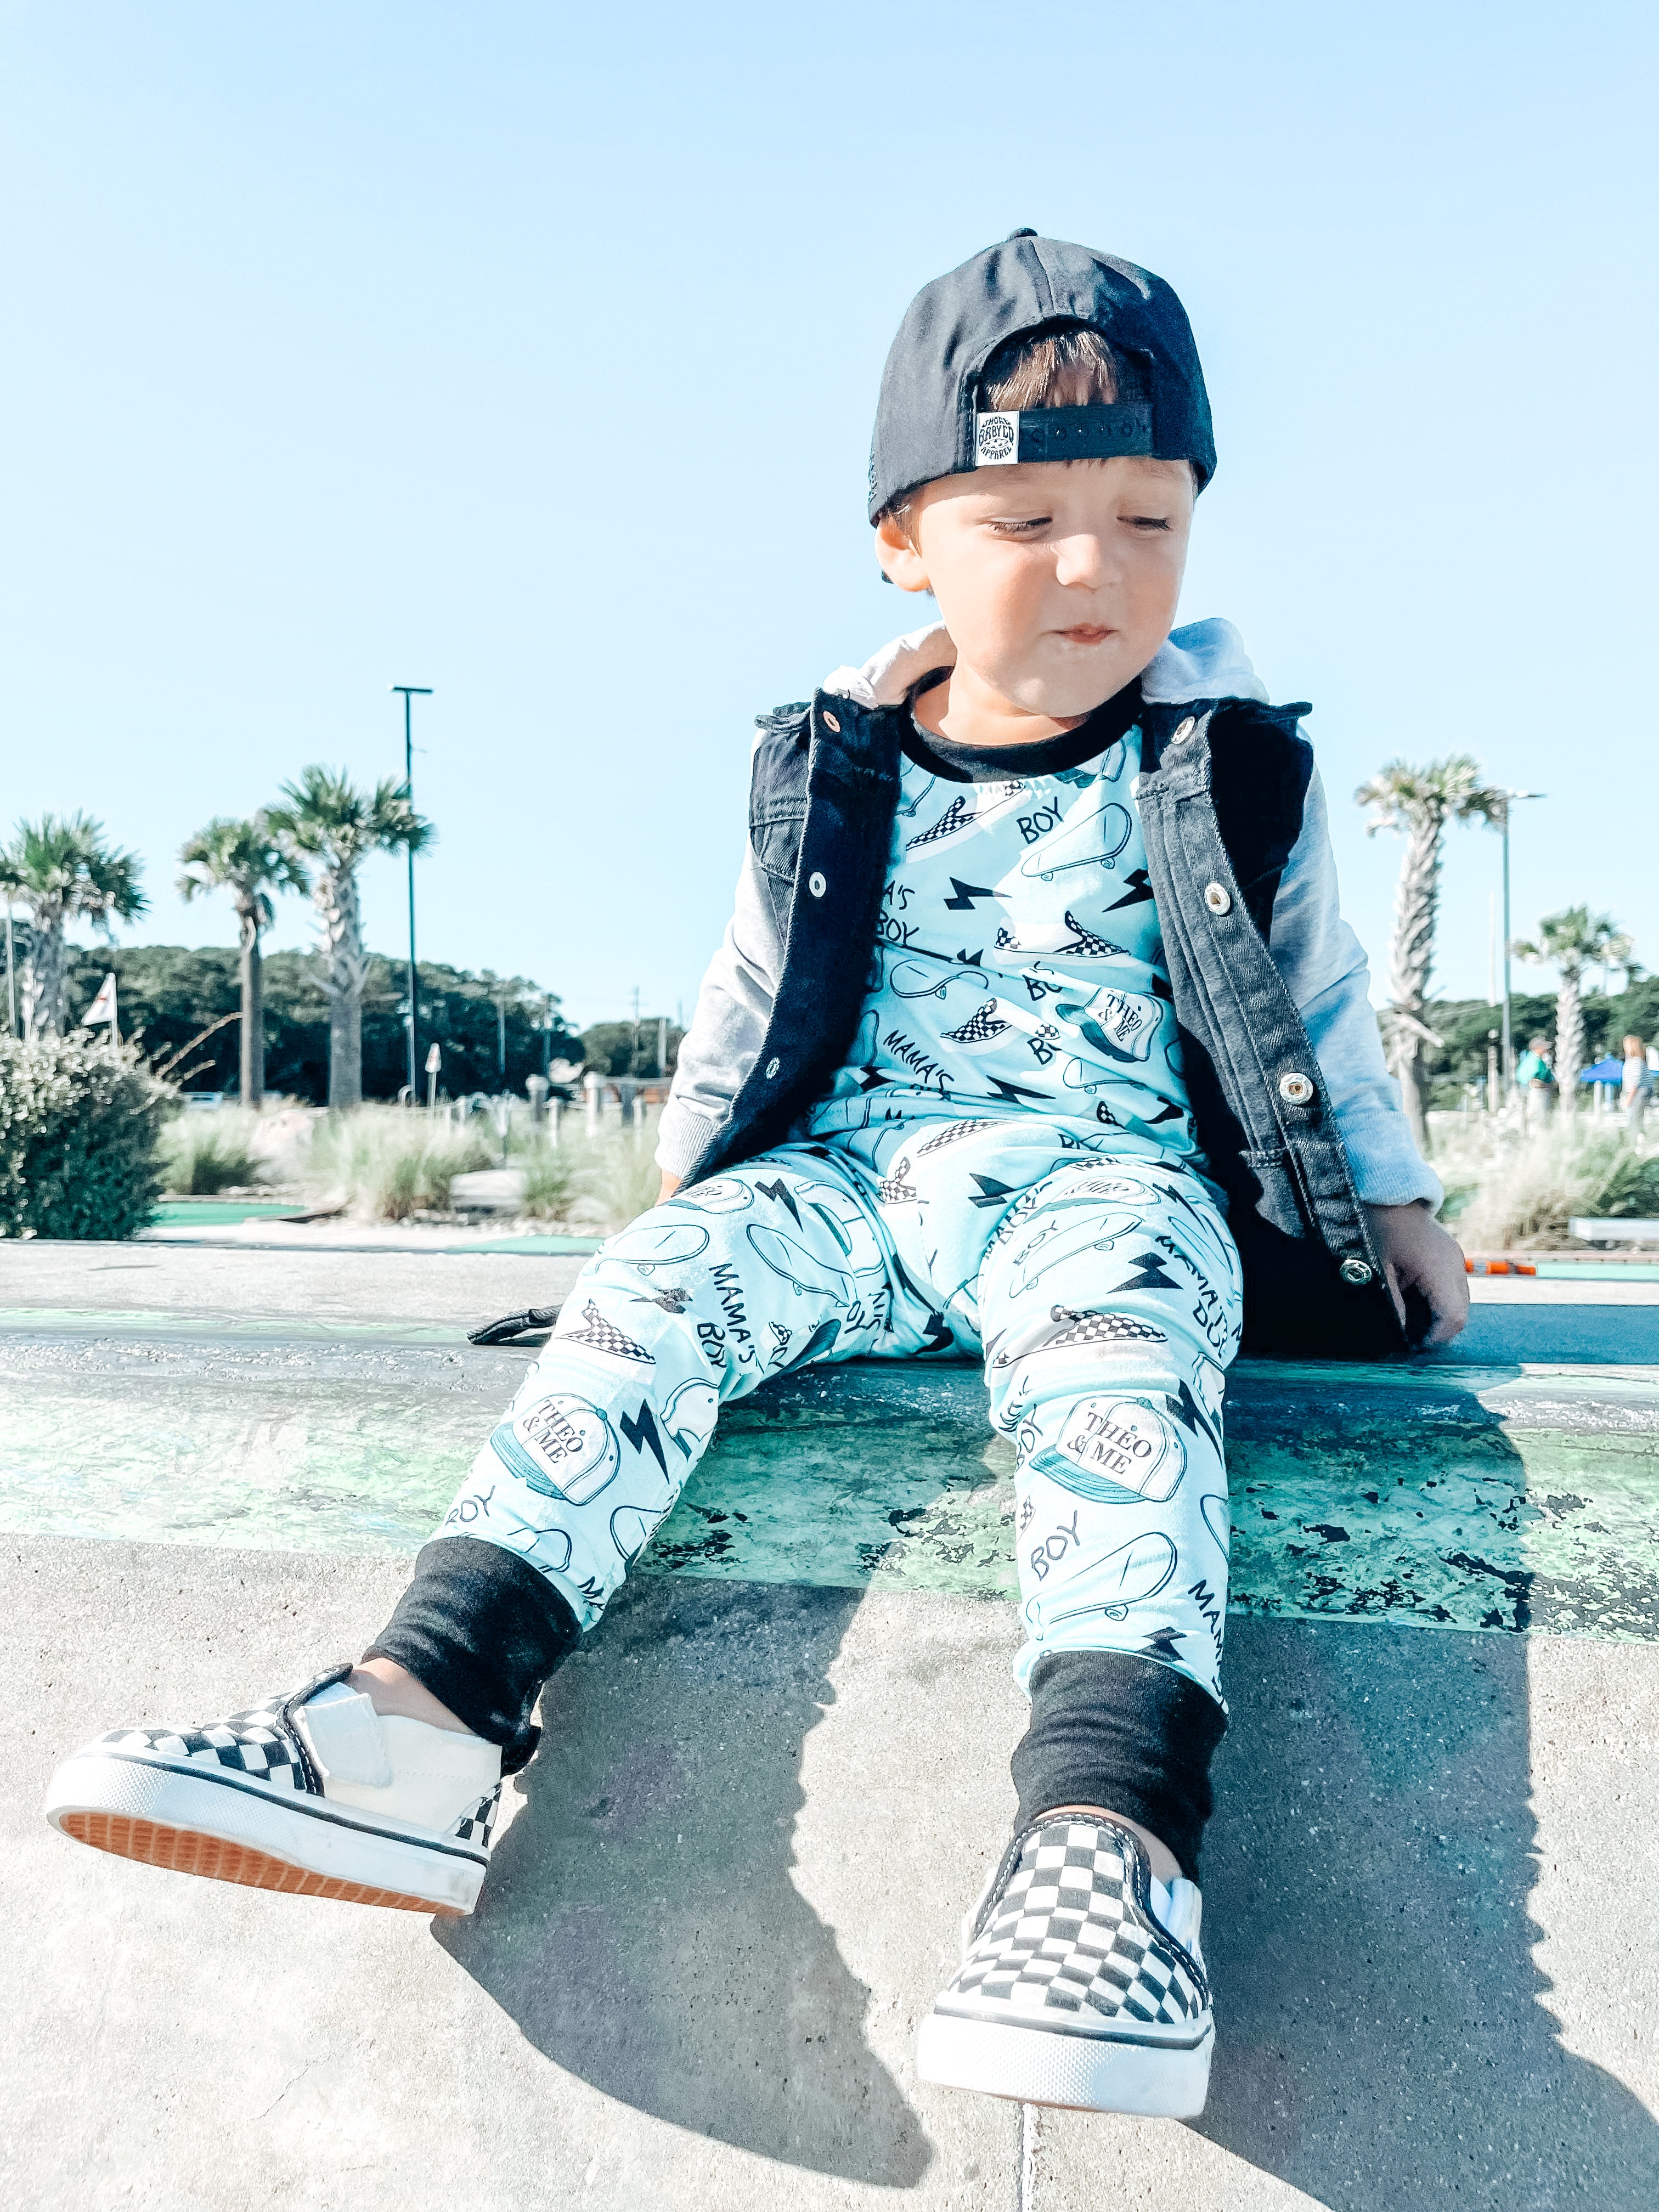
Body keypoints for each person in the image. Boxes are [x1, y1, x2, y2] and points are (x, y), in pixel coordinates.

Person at [42, 235, 1469, 2120]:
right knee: (655, 1296)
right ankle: (423, 1720)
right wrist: (682, 1190)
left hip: (1101, 1184)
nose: (1091, 568)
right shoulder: (834, 757)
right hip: (853, 1180)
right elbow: (745, 983)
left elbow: (1320, 1000)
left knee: (1121, 1380)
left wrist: (1391, 1199)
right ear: (903, 543)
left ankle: (1107, 1857)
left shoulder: (1230, 764)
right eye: (1026, 515)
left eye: (1146, 517)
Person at [1515, 1032, 1555, 1116]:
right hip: (1535, 1094)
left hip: (1539, 1093)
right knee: (1537, 1116)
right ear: (1538, 1048)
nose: (1547, 1050)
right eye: (1544, 1047)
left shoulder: (1539, 1060)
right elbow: (1533, 1082)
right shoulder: (1534, 1061)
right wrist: (1548, 1085)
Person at [1622, 1033, 1652, 1133]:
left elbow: (1636, 1082)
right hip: (1636, 1093)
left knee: (1634, 1120)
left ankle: (1636, 1141)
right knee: (1636, 1119)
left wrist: (1629, 1098)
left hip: (1637, 1094)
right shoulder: (1636, 1061)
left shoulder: (1636, 1062)